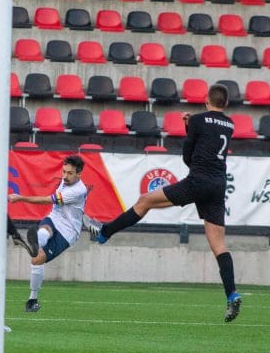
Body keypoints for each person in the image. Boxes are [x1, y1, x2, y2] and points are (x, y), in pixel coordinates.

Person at [84, 84, 242, 322]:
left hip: (198, 181)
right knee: (219, 245)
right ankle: (231, 295)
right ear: (226, 104)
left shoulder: (198, 120)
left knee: (145, 200)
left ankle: (104, 232)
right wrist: (194, 128)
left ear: (206, 100)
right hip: (218, 185)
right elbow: (209, 139)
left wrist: (189, 126)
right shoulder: (230, 125)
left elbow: (188, 155)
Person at [8, 155, 88, 312]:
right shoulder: (66, 182)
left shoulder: (79, 190)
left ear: (79, 174)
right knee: (44, 232)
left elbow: (47, 200)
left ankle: (32, 299)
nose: (65, 176)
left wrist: (21, 198)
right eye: (64, 171)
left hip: (67, 232)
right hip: (54, 219)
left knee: (37, 260)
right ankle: (37, 241)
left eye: (69, 173)